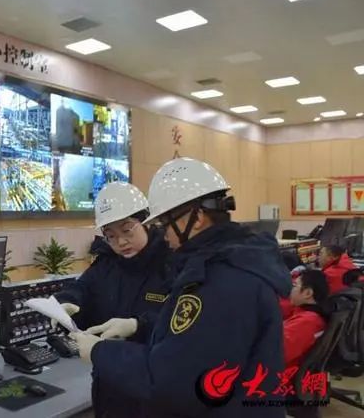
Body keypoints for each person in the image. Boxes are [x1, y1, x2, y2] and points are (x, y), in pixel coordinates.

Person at [71, 157, 292, 418]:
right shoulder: (233, 264)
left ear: (196, 217)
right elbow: (196, 335)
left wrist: (99, 351)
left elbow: (172, 380)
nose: (164, 234)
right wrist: (139, 326)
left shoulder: (221, 279)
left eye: (166, 223)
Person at [53, 181, 171, 416]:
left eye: (127, 230)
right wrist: (67, 302)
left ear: (146, 222)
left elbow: (183, 324)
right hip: (109, 385)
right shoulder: (107, 263)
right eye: (111, 236)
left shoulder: (171, 262)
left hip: (154, 387)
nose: (121, 242)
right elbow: (82, 287)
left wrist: (138, 325)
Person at [283, 270, 329, 368]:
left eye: (294, 285)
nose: (291, 290)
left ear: (308, 293)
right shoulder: (313, 316)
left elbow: (275, 354)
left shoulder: (306, 322)